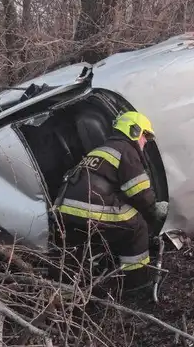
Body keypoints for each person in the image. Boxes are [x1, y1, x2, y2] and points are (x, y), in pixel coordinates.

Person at [50, 110, 169, 298]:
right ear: (135, 131)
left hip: (64, 209)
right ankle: (137, 285)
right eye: (145, 136)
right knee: (136, 226)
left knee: (74, 254)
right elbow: (140, 193)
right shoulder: (126, 150)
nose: (145, 142)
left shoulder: (100, 150)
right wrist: (154, 210)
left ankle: (68, 297)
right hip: (88, 207)